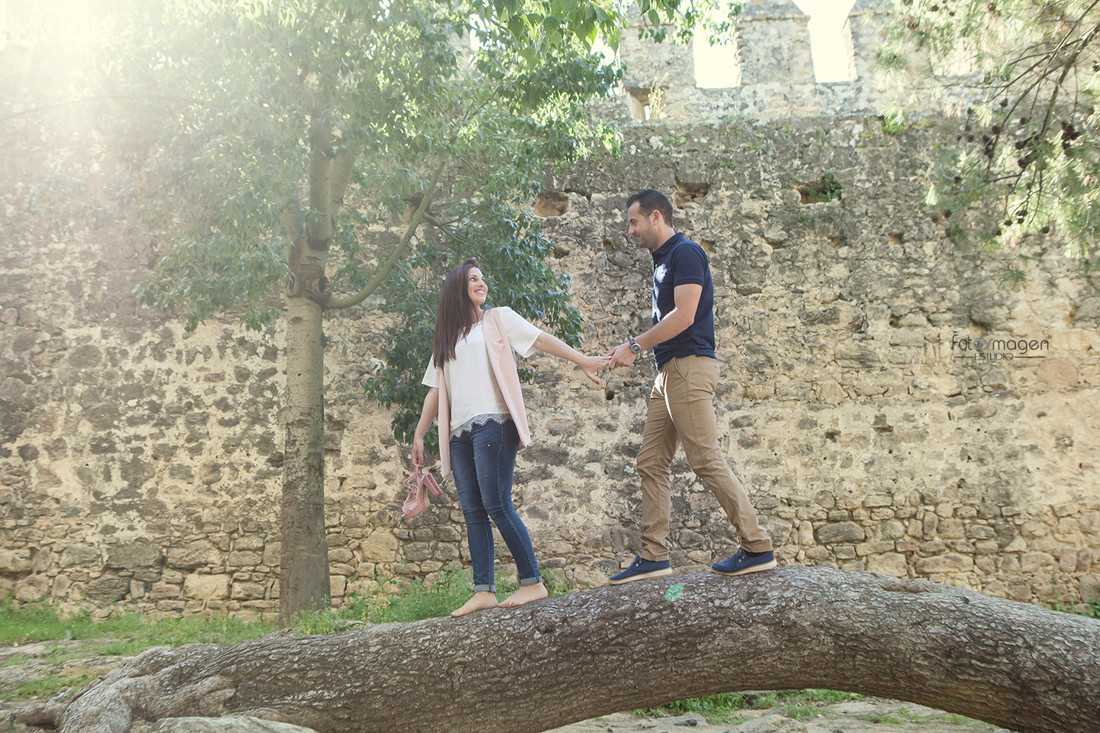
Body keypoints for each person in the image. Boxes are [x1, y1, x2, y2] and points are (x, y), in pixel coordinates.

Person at [412, 259, 610, 616]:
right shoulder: (447, 338)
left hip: (494, 423)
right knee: (473, 511)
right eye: (474, 279)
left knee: (497, 504)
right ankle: (483, 590)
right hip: (458, 432)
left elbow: (541, 339)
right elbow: (434, 391)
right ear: (458, 287)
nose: (481, 283)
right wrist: (420, 433)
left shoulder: (498, 319)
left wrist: (581, 359)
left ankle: (532, 582)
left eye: (482, 278)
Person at [606, 189, 776, 584]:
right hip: (667, 373)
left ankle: (756, 546)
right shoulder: (662, 261)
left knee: (704, 459)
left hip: (689, 368)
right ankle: (654, 556)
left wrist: (634, 345)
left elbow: (684, 316)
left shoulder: (686, 253)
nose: (630, 231)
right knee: (650, 461)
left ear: (655, 217)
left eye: (633, 222)